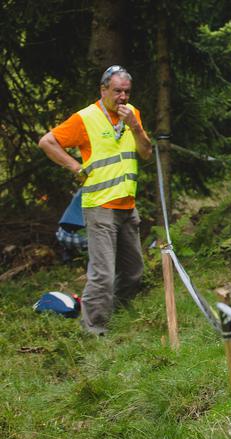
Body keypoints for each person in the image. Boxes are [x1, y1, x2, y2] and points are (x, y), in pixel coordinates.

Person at [39, 65, 152, 335]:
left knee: (134, 271)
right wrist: (75, 167)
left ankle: (119, 317)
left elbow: (146, 153)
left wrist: (136, 127)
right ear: (103, 90)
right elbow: (47, 142)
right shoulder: (86, 118)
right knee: (102, 274)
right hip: (100, 207)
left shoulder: (132, 115)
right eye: (117, 91)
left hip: (127, 207)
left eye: (126, 91)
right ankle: (95, 330)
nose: (123, 97)